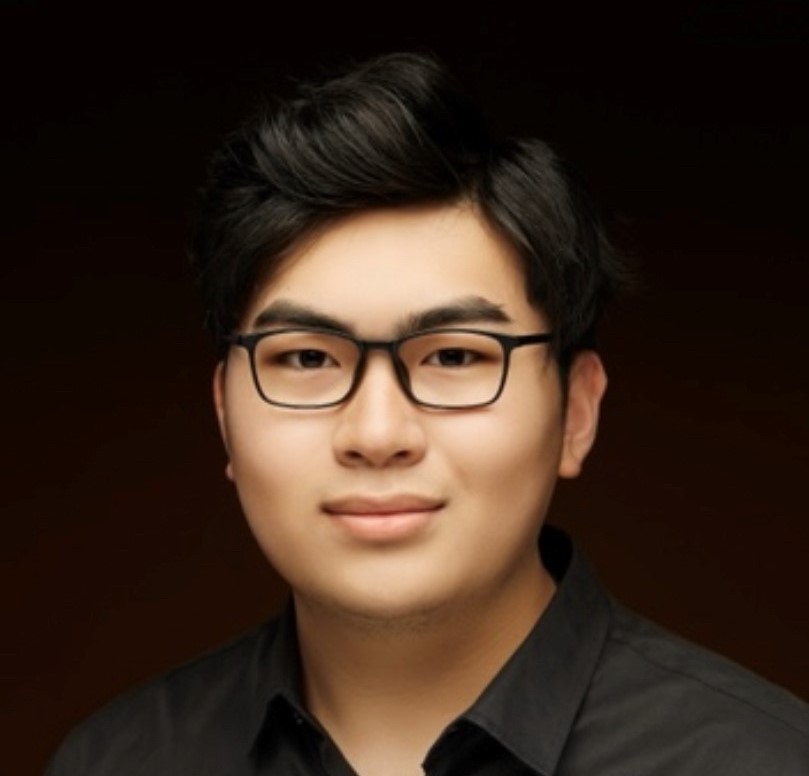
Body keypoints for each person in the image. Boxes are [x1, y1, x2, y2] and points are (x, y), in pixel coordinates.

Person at [46, 52, 808, 776]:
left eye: (452, 356)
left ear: (575, 413)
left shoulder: (764, 760)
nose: (377, 436)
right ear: (224, 417)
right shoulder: (117, 760)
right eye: (307, 358)